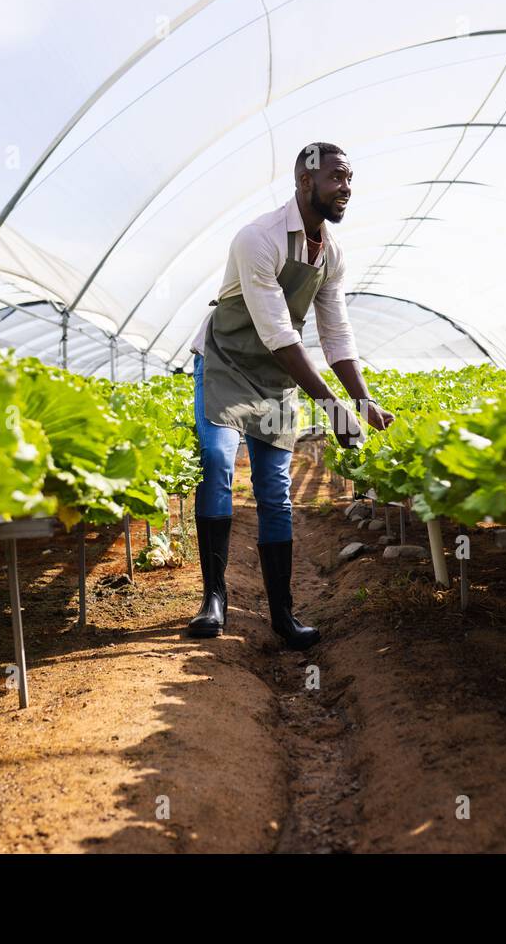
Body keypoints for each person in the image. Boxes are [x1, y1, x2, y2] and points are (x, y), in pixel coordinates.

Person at [187, 142, 394, 650]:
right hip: (229, 363)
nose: (346, 188)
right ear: (306, 182)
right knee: (217, 460)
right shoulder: (258, 238)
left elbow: (336, 333)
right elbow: (279, 332)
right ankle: (214, 598)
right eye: (337, 178)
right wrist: (331, 407)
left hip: (278, 377)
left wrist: (363, 403)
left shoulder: (332, 255)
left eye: (350, 179)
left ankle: (283, 614)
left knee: (275, 491)